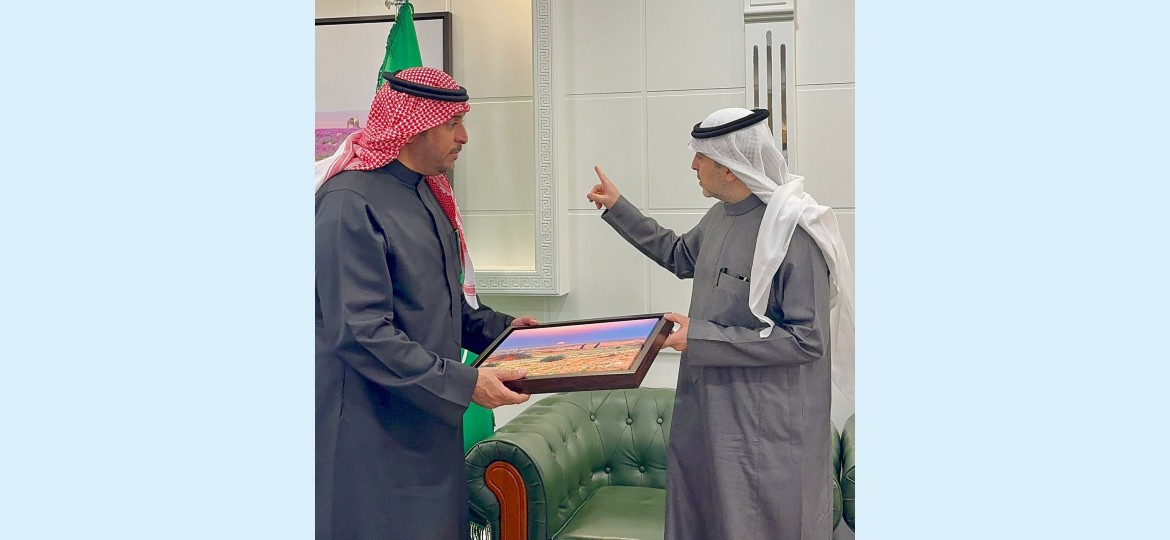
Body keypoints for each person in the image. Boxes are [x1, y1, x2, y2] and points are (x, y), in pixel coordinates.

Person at [586, 107, 855, 539]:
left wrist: (701, 336)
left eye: (701, 157)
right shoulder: (720, 217)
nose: (693, 165)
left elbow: (807, 340)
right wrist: (619, 208)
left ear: (730, 168)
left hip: (767, 432)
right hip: (709, 413)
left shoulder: (794, 233)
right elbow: (678, 255)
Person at [315, 66, 537, 540]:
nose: (464, 137)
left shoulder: (430, 193)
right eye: (452, 123)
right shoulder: (349, 201)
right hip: (370, 431)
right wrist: (465, 383)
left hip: (427, 421)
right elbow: (361, 332)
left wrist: (508, 332)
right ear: (415, 127)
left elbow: (444, 305)